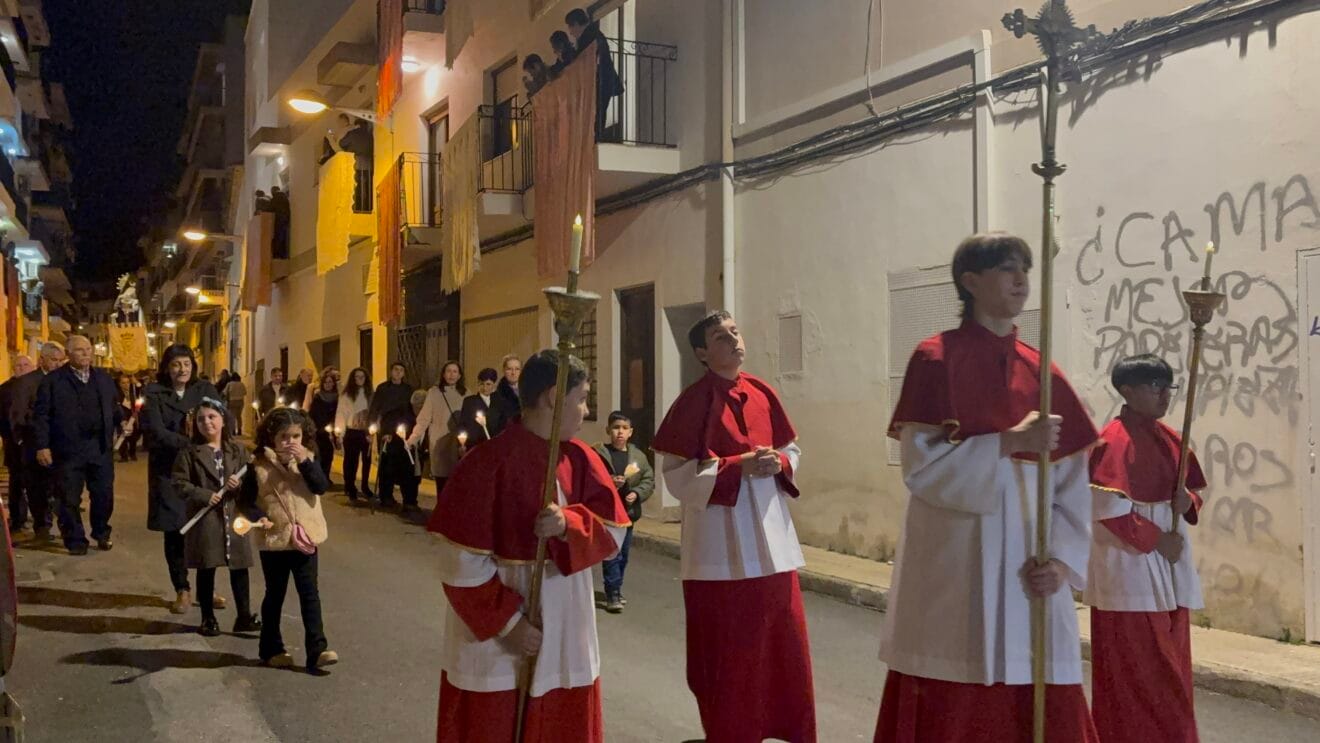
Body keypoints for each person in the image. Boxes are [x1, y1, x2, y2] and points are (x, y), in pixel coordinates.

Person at [875, 233, 1100, 742]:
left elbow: (1071, 480)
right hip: (957, 553)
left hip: (1030, 556)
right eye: (1005, 268)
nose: (1021, 278)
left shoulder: (1042, 371)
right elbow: (921, 468)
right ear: (970, 282)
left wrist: (1062, 561)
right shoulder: (934, 358)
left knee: (1039, 677)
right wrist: (1006, 442)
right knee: (955, 676)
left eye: (1025, 267)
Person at [427, 350, 629, 743]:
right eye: (582, 398)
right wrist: (509, 625)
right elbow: (459, 563)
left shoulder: (582, 458)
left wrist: (568, 524)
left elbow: (613, 535)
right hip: (498, 646)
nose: (586, 412)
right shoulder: (486, 463)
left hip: (565, 628)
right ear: (554, 397)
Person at [653, 311, 816, 742]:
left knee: (786, 651)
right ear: (703, 354)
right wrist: (735, 468)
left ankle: (785, 729)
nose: (732, 339)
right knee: (732, 659)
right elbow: (674, 476)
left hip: (773, 544)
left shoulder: (763, 392)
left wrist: (778, 461)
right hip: (718, 555)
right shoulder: (691, 402)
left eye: (734, 331)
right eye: (718, 337)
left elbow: (791, 448)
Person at [1086, 354, 1205, 743]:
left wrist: (1187, 503)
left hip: (1170, 568)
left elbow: (1193, 494)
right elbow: (1106, 507)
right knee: (1140, 674)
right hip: (1130, 568)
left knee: (1174, 669)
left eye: (1167, 386)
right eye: (1154, 386)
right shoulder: (1113, 441)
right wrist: (1158, 540)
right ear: (1127, 390)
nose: (1163, 395)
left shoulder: (1171, 437)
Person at [237, 407, 337, 673]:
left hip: (306, 537)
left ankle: (317, 649)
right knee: (275, 594)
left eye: (296, 436)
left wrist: (304, 462)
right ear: (271, 437)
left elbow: (320, 487)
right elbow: (245, 501)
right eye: (284, 437)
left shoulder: (309, 458)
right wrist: (260, 517)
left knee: (309, 594)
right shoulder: (257, 466)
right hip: (275, 539)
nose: (290, 442)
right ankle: (271, 648)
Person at [141, 345, 222, 613]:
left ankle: (205, 590)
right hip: (169, 470)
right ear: (166, 367)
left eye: (186, 363)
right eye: (176, 364)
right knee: (175, 530)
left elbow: (221, 419)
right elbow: (155, 430)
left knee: (204, 529)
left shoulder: (205, 390)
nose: (182, 369)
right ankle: (182, 589)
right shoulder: (154, 393)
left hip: (201, 470)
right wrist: (188, 443)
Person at [171, 397, 261, 636]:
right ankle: (208, 618)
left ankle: (244, 616)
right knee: (206, 565)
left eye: (212, 417)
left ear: (223, 420)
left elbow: (252, 484)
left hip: (234, 515)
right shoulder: (189, 453)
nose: (207, 422)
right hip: (207, 518)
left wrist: (238, 484)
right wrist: (203, 494)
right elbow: (179, 483)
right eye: (201, 419)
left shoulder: (237, 451)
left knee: (239, 565)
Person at [33, 335, 123, 555]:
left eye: (88, 349)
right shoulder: (53, 381)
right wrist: (42, 446)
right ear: (68, 354)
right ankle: (75, 539)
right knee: (68, 497)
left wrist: (122, 421)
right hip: (67, 450)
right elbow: (42, 415)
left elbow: (113, 406)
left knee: (103, 493)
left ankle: (101, 532)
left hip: (99, 448)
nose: (86, 354)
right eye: (80, 350)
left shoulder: (102, 378)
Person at [592, 411, 654, 614]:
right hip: (608, 514)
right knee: (612, 552)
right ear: (608, 430)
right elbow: (591, 479)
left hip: (628, 513)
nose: (620, 432)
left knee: (624, 554)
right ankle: (612, 593)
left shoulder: (637, 457)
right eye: (616, 428)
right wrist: (609, 483)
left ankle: (617, 587)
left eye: (624, 428)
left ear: (630, 432)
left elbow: (648, 480)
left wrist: (636, 493)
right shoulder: (599, 454)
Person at [8, 344, 65, 541]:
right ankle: (42, 525)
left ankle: (63, 523)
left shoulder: (65, 381)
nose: (57, 364)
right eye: (53, 360)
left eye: (60, 360)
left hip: (61, 443)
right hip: (33, 443)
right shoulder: (27, 382)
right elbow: (18, 414)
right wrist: (25, 438)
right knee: (37, 487)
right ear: (42, 360)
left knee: (60, 485)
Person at [408, 361, 466, 497]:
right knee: (442, 482)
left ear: (459, 375)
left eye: (455, 371)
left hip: (459, 443)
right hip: (440, 443)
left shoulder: (466, 393)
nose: (451, 375)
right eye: (448, 371)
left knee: (458, 481)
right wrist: (414, 437)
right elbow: (424, 418)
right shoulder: (434, 393)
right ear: (443, 374)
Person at [566, 8, 624, 140]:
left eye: (570, 27)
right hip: (601, 81)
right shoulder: (592, 34)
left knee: (596, 112)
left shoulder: (590, 35)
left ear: (576, 24)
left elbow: (590, 57)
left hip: (600, 81)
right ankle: (595, 138)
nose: (570, 32)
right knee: (597, 113)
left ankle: (596, 139)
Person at [369, 362, 418, 511]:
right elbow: (375, 409)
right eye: (395, 370)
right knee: (387, 466)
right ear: (391, 372)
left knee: (406, 466)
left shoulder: (408, 389)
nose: (398, 373)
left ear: (404, 373)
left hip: (404, 431)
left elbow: (412, 411)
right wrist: (374, 430)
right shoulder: (382, 388)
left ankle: (408, 499)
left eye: (401, 370)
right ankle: (386, 497)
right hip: (387, 431)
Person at [1, 355, 36, 532]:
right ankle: (17, 519)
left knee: (36, 482)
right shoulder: (5, 389)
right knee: (16, 482)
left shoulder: (41, 384)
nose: (21, 368)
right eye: (18, 365)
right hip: (14, 444)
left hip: (35, 443)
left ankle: (41, 518)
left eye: (25, 364)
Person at [335, 367, 374, 503]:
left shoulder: (370, 394)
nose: (360, 379)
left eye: (362, 377)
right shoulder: (347, 395)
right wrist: (339, 432)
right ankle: (350, 486)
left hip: (366, 431)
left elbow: (373, 412)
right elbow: (341, 413)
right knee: (351, 461)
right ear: (353, 378)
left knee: (367, 459)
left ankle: (365, 485)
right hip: (352, 431)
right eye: (357, 377)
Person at [307, 370, 339, 485]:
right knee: (319, 454)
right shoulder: (318, 397)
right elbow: (313, 413)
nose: (328, 384)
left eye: (330, 382)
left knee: (329, 454)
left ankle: (326, 475)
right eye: (326, 382)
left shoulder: (337, 397)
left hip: (331, 430)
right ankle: (319, 476)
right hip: (319, 430)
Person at [458, 367, 498, 449]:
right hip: (474, 445)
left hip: (493, 445)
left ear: (494, 385)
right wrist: (462, 444)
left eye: (488, 384)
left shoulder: (499, 402)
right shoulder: (469, 401)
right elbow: (463, 424)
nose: (484, 388)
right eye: (481, 384)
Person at [486, 354, 522, 437]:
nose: (513, 373)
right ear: (504, 370)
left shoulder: (529, 391)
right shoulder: (497, 396)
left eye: (517, 369)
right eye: (509, 369)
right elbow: (493, 425)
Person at [114, 372, 142, 462]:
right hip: (122, 417)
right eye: (123, 383)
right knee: (123, 437)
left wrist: (135, 381)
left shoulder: (133, 391)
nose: (126, 385)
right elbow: (116, 406)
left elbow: (140, 387)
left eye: (127, 382)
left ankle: (132, 454)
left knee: (133, 437)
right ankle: (124, 456)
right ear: (119, 384)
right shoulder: (117, 394)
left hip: (133, 417)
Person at [270, 186, 291, 260]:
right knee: (284, 237)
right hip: (285, 219)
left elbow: (270, 209)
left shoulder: (275, 197)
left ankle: (277, 255)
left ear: (273, 191)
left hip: (278, 219)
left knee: (278, 237)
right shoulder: (285, 197)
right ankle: (284, 255)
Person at [225, 372, 249, 436]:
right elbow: (245, 393)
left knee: (232, 416)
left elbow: (225, 393)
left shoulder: (229, 384)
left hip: (232, 401)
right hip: (240, 401)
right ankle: (239, 430)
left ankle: (233, 431)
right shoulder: (241, 384)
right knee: (239, 416)